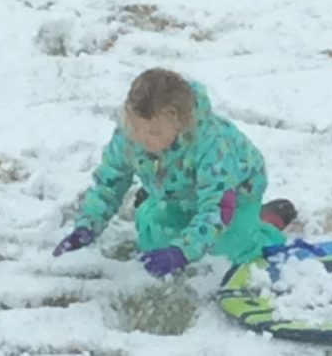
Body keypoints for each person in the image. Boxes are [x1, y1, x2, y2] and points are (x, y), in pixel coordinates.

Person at [52, 68, 295, 277]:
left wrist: (182, 252)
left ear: (180, 125)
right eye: (137, 127)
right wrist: (87, 226)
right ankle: (157, 206)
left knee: (225, 253)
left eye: (155, 132)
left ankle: (265, 224)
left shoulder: (210, 146)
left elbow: (216, 209)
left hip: (234, 194)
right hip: (176, 192)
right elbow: (108, 185)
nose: (143, 139)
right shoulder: (128, 138)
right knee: (153, 240)